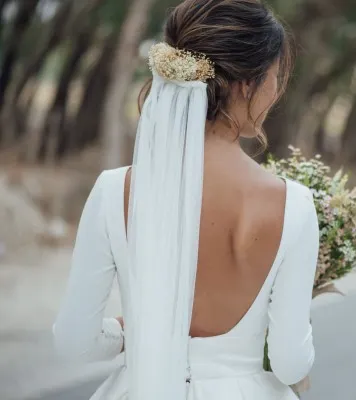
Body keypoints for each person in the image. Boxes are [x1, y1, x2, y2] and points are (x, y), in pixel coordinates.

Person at [52, 1, 319, 399]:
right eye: (275, 77)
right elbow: (289, 362)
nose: (276, 91)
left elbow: (76, 341)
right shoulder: (293, 205)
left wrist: (130, 333)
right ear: (247, 84)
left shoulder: (114, 190)